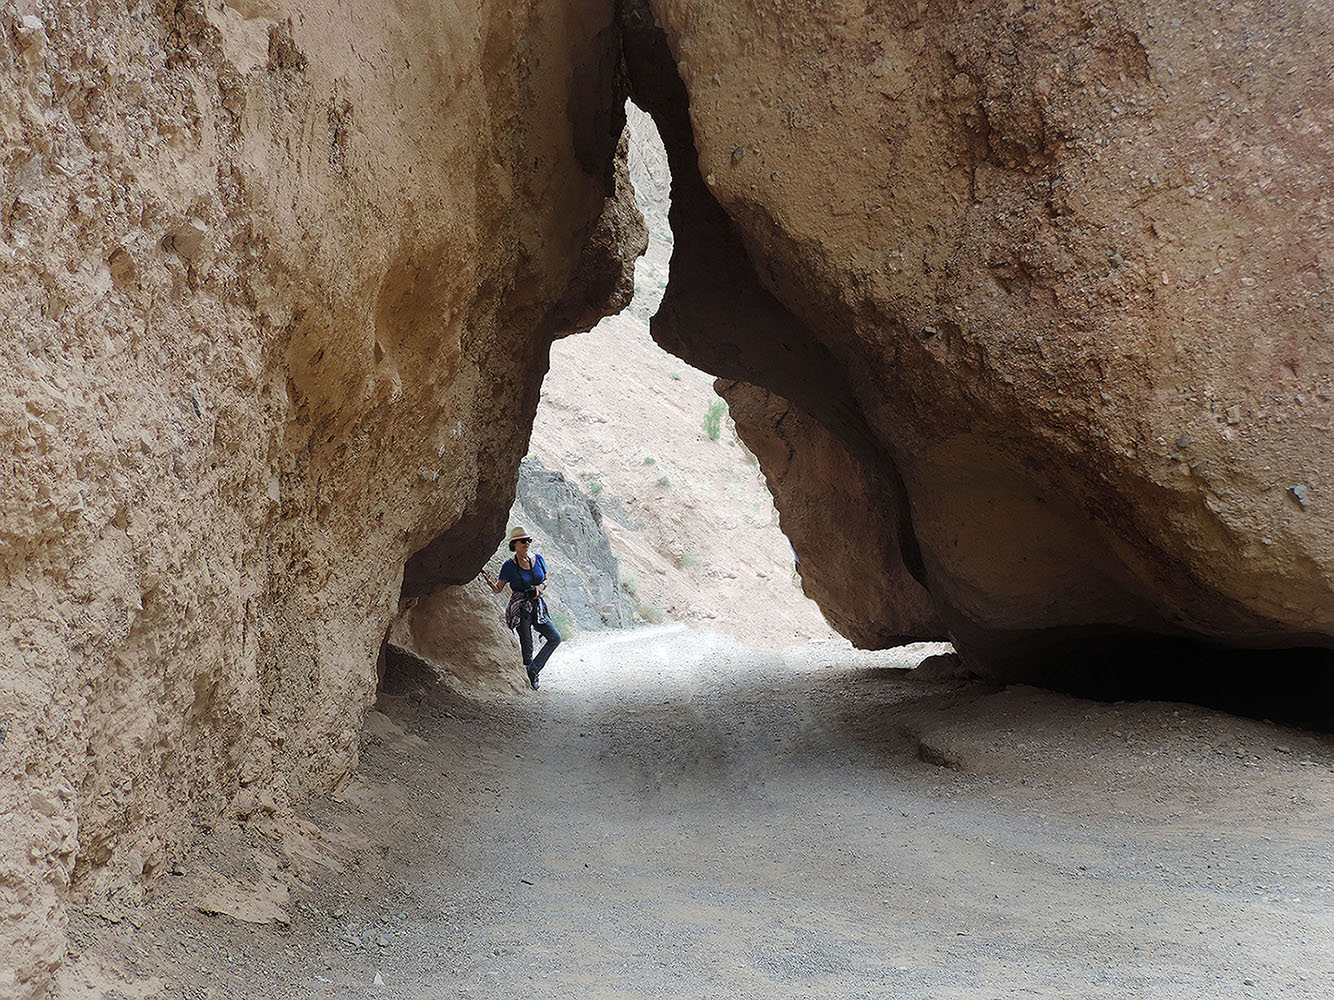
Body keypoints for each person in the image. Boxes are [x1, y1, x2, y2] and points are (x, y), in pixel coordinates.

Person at [484, 525, 561, 690]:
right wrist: (488, 582)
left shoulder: (538, 559)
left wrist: (540, 588)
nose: (527, 543)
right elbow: (498, 589)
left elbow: (546, 579)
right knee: (527, 643)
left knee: (554, 637)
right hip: (519, 607)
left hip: (537, 604)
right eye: (522, 541)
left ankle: (533, 670)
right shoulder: (509, 566)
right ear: (514, 544)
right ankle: (529, 679)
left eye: (528, 540)